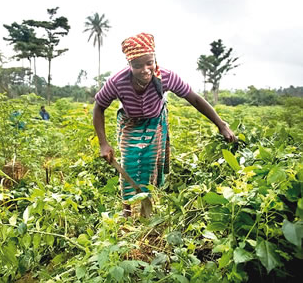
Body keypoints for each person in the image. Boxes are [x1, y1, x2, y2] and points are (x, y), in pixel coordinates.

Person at [93, 32, 236, 216]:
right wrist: (103, 143)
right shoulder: (117, 82)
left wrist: (221, 124)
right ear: (129, 65)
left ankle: (148, 206)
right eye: (137, 65)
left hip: (155, 121)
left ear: (155, 59)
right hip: (130, 122)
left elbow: (194, 99)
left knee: (151, 164)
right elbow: (99, 107)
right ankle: (127, 212)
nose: (145, 69)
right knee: (129, 162)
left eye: (149, 63)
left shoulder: (166, 77)